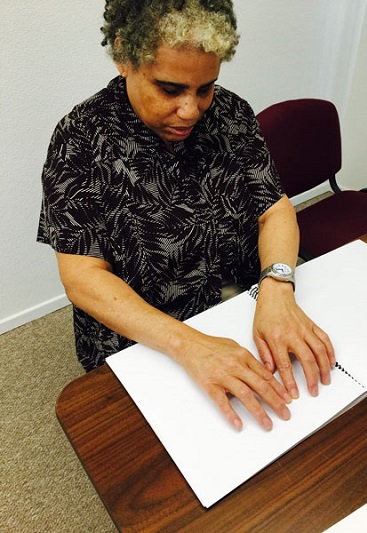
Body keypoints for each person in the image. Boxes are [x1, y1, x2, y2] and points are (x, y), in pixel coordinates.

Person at [38, 0, 335, 431]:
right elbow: (82, 277)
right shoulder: (81, 140)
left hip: (240, 307)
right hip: (144, 338)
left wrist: (277, 285)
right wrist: (190, 346)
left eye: (205, 88)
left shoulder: (231, 115)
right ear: (124, 57)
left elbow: (275, 210)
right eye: (170, 89)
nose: (191, 111)